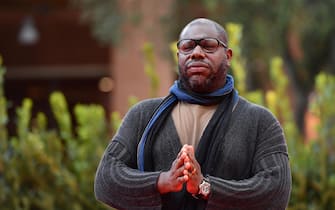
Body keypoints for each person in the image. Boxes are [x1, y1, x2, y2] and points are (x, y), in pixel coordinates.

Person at [94, 18, 291, 210]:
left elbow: (275, 191)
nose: (196, 53)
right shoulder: (143, 115)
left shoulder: (259, 121)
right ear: (178, 55)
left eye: (208, 45)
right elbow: (106, 178)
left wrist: (205, 187)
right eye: (188, 46)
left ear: (228, 56)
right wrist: (162, 181)